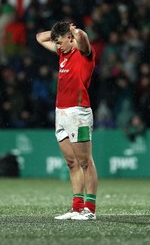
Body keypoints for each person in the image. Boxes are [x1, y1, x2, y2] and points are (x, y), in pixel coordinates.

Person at [36, 21, 98, 220]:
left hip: (78, 112)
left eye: (60, 41)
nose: (57, 45)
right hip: (60, 113)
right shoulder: (63, 53)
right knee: (72, 163)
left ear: (71, 38)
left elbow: (84, 40)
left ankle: (90, 209)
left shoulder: (84, 53)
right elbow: (39, 37)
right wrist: (58, 32)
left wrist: (75, 31)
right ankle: (77, 207)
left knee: (85, 162)